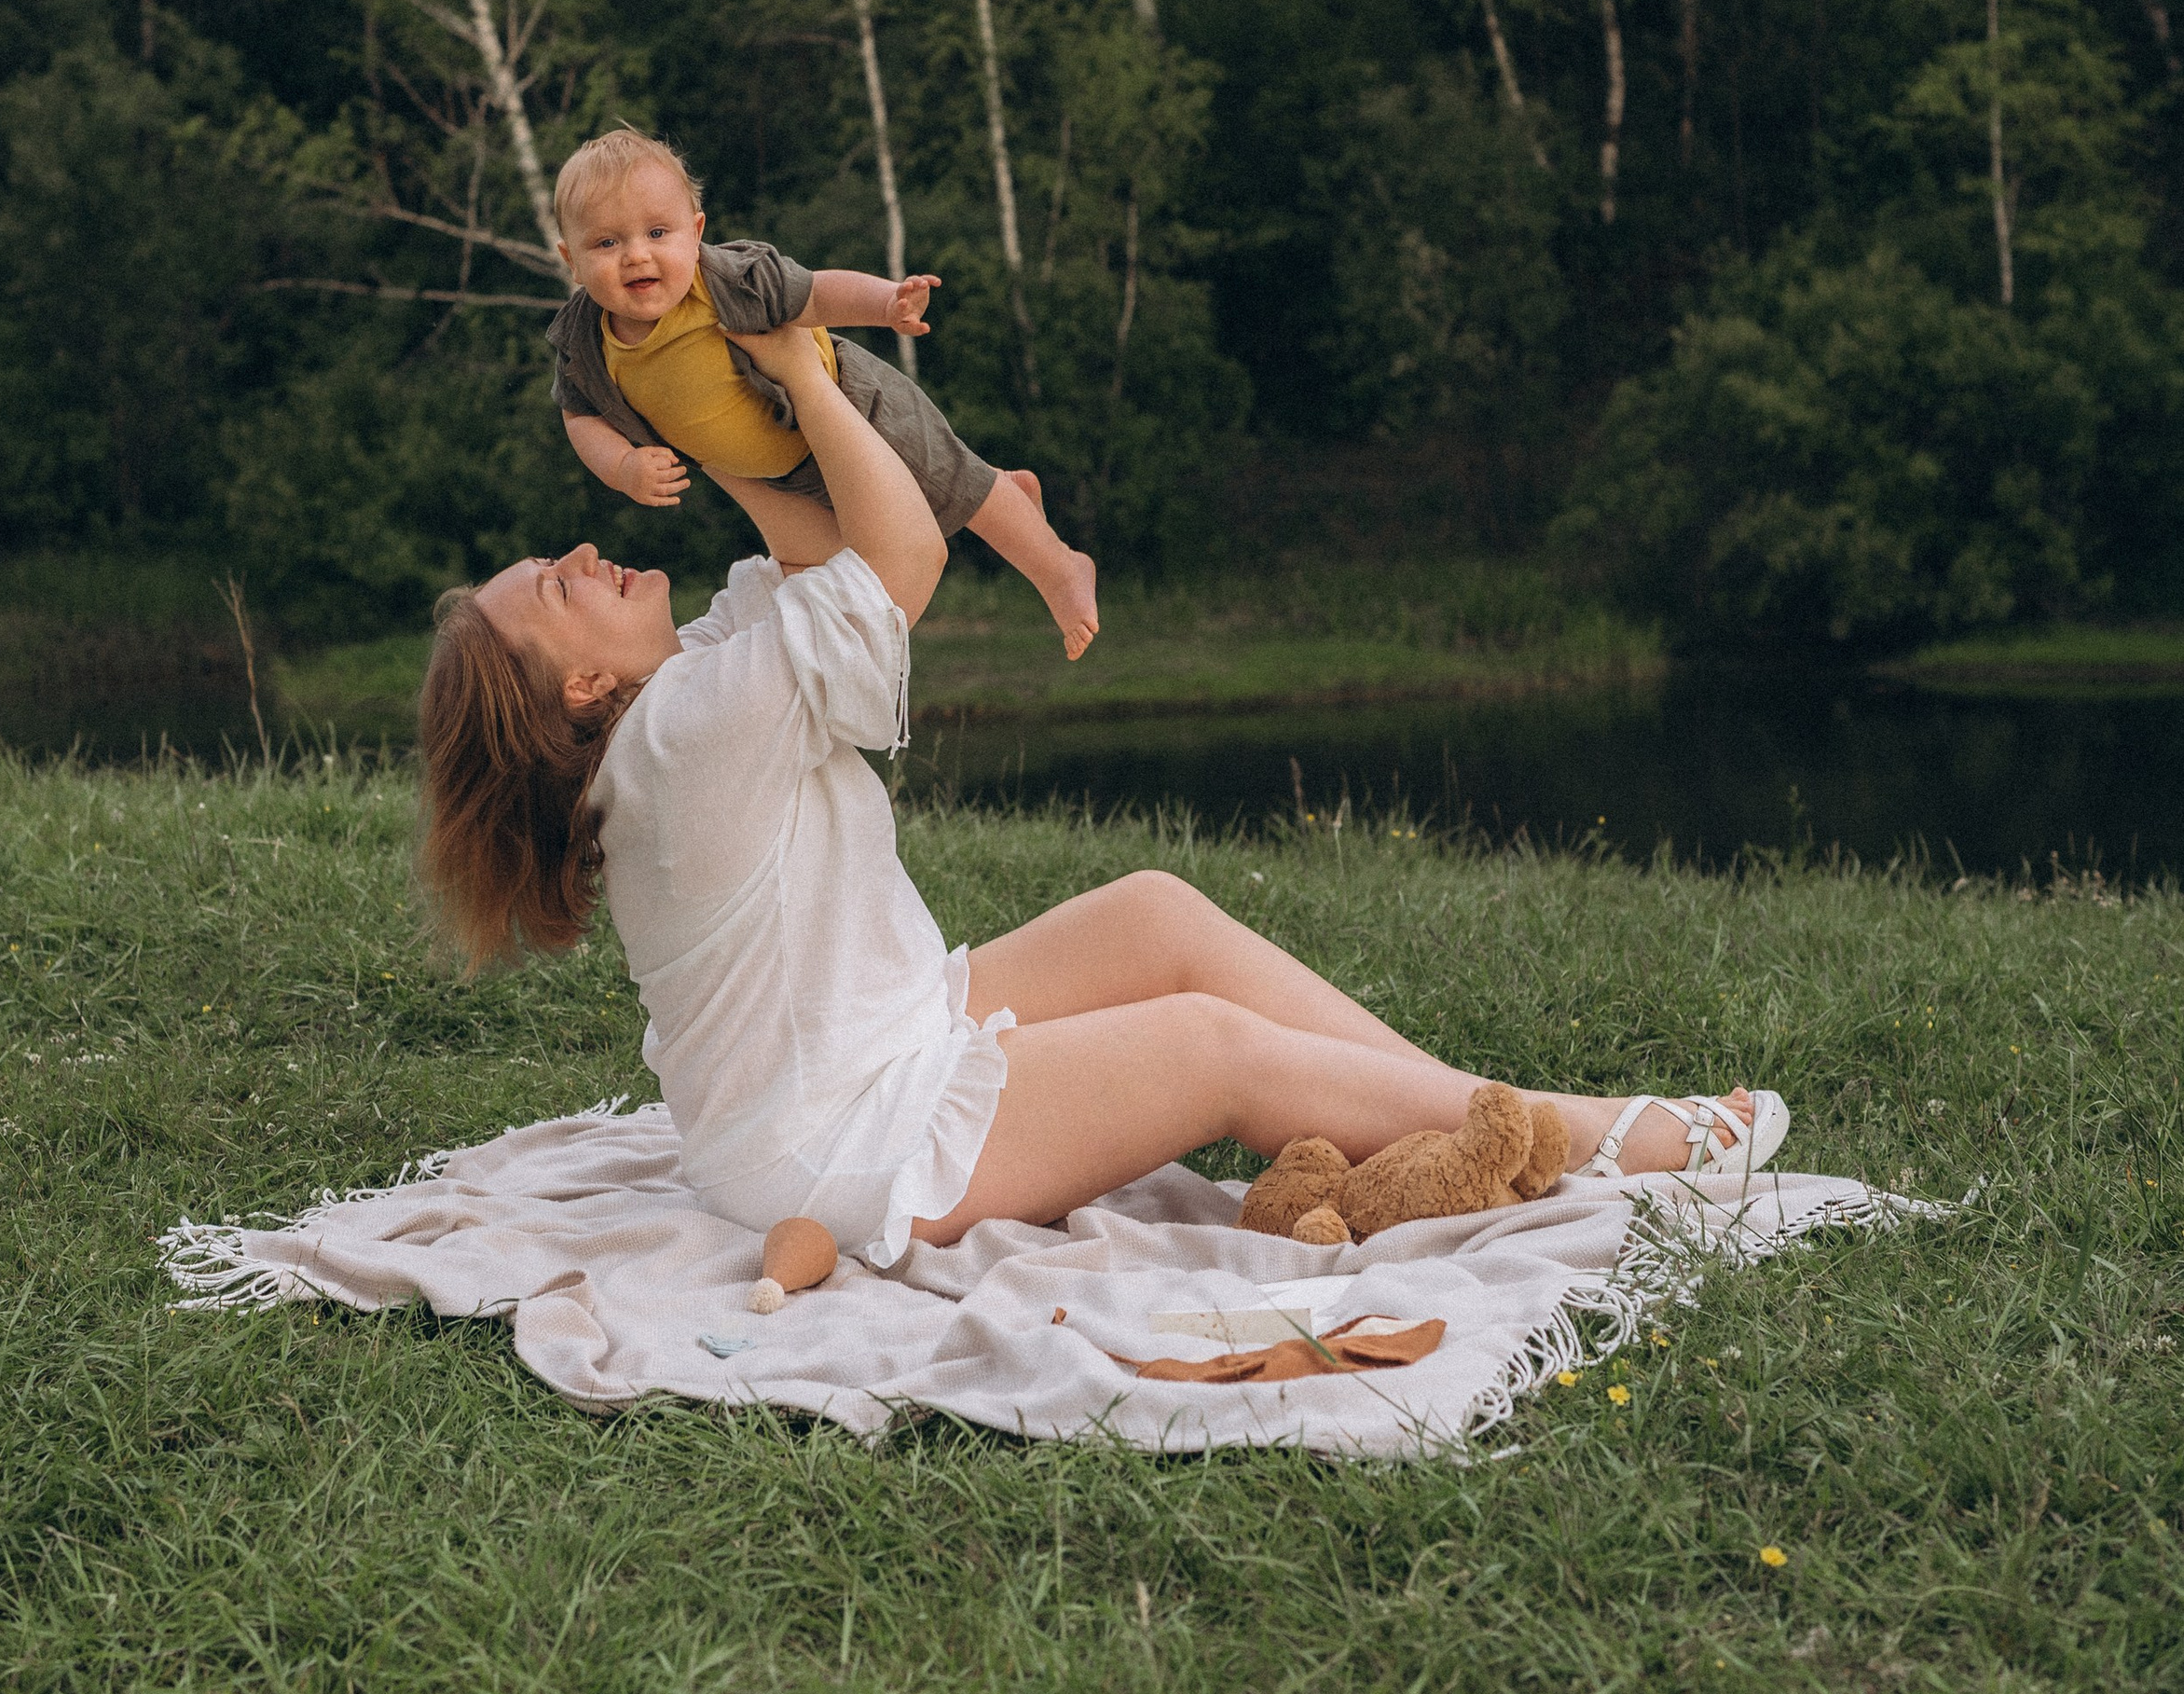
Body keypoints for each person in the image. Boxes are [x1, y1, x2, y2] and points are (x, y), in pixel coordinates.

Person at [419, 315, 1786, 1267]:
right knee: (1206, 1047)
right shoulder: (686, 733)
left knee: (1154, 913)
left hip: (877, 1037)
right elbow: (896, 558)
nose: (583, 553)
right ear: (580, 689)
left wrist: (700, 408)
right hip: (843, 1141)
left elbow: (814, 553)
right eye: (554, 587)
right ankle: (1590, 1139)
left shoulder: (684, 694)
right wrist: (800, 377)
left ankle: (1476, 1118)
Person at [545, 125, 1099, 659]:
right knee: (856, 559)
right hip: (781, 472)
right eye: (607, 242)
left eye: (657, 234)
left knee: (954, 487)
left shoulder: (731, 281)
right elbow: (580, 416)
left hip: (850, 403)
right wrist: (622, 467)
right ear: (572, 261)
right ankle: (1006, 493)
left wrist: (886, 305)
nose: (636, 255)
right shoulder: (582, 342)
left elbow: (815, 294)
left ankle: (1059, 567)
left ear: (695, 232)